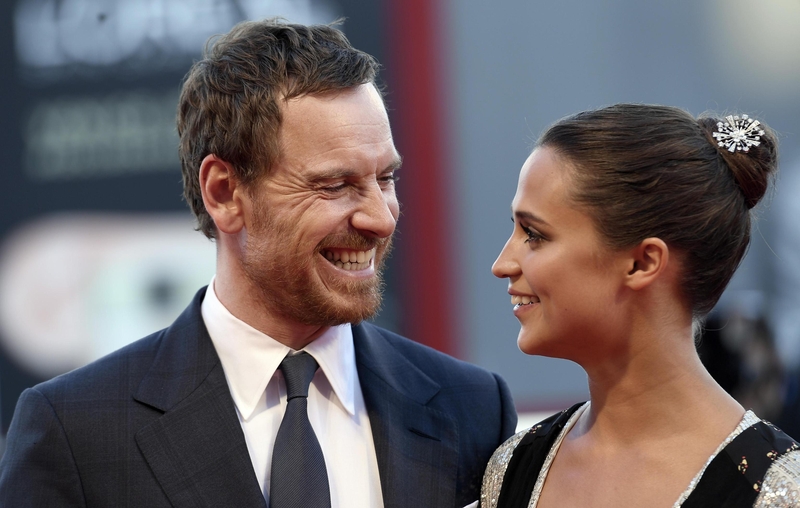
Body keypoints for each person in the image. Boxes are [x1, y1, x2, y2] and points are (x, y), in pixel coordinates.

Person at [0, 19, 517, 508]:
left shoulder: (470, 409)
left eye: (385, 179)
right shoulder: (76, 432)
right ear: (224, 193)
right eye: (335, 186)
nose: (381, 219)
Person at [481, 104, 800, 508]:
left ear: (643, 262)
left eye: (535, 234)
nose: (501, 265)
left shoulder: (778, 492)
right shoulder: (513, 467)